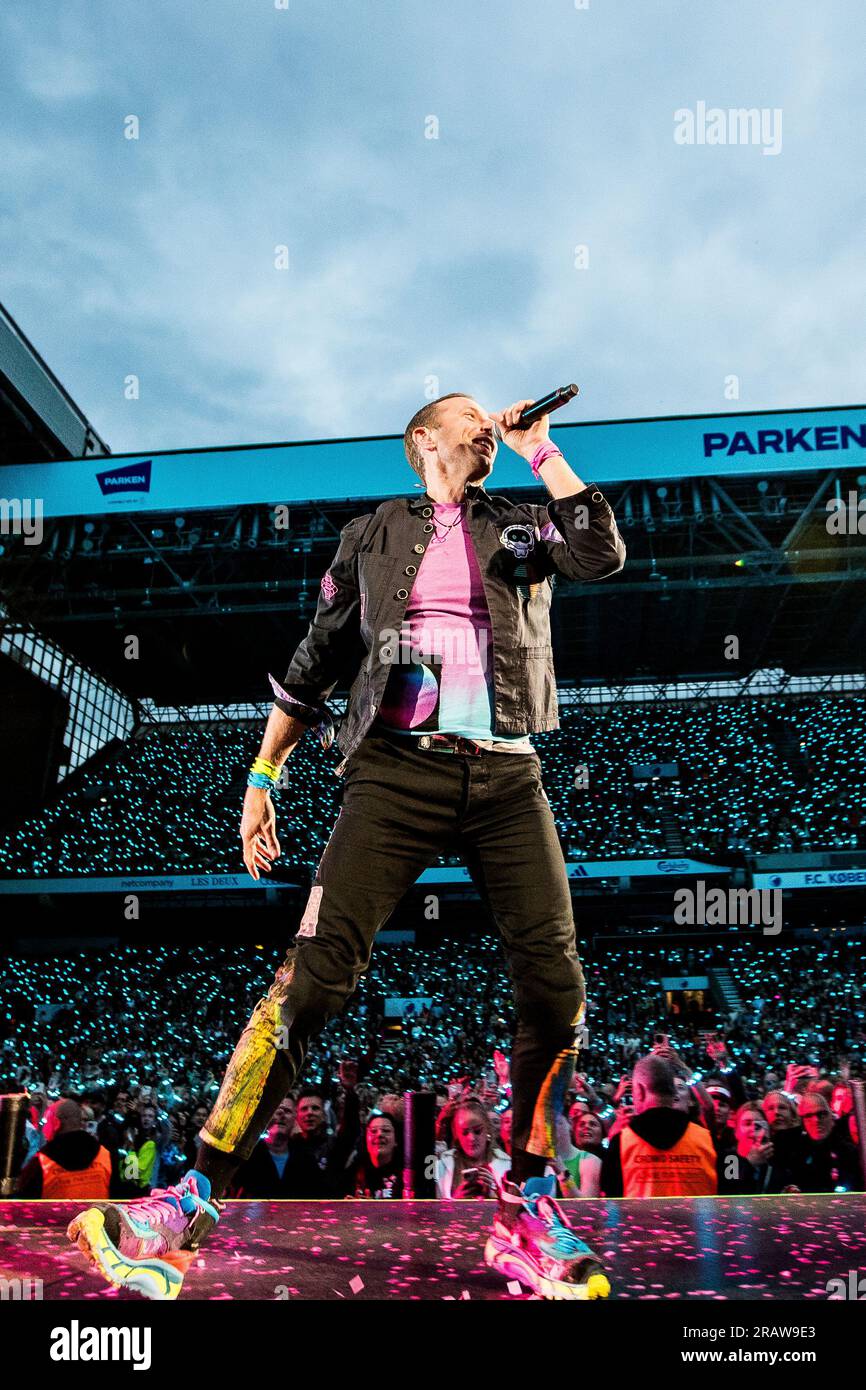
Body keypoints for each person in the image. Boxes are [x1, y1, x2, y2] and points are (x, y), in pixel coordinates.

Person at [66, 390, 624, 1302]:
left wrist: (541, 452)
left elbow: (601, 552)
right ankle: (192, 1193)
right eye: (472, 419)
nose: (488, 426)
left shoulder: (520, 522)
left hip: (507, 775)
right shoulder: (371, 534)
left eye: (497, 420)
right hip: (394, 770)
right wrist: (261, 778)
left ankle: (527, 1205)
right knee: (316, 976)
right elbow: (315, 660)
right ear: (423, 442)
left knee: (558, 987)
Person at [601, 1056, 717, 1198]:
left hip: (641, 1220)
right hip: (699, 1220)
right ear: (674, 1093)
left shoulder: (621, 1142)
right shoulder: (707, 1139)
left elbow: (611, 1201)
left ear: (640, 1091)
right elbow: (730, 1188)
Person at [17, 1098, 113, 1200]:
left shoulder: (41, 1162)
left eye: (48, 1120)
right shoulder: (105, 1154)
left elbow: (25, 1203)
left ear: (57, 1122)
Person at [436, 1096, 509, 1198]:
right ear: (457, 1135)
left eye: (477, 1131)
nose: (472, 1138)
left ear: (487, 1129)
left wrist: (494, 1193)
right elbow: (435, 1212)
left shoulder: (506, 1165)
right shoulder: (441, 1167)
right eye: (465, 1133)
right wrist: (457, 1201)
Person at [349, 1110, 404, 1198]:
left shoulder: (406, 1174)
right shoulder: (354, 1171)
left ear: (396, 1140)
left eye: (386, 1130)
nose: (379, 1134)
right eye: (373, 1131)